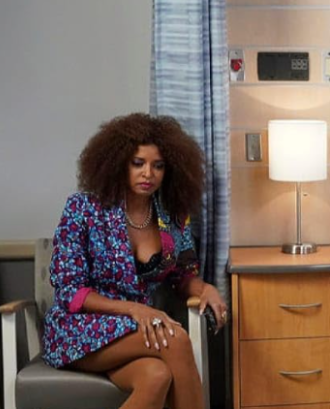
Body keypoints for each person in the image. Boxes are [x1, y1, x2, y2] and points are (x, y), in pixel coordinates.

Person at [42, 113, 229, 409]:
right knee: (175, 340)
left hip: (134, 329)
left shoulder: (171, 216)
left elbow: (181, 276)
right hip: (79, 331)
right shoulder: (84, 208)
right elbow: (69, 291)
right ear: (118, 164)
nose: (148, 174)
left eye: (158, 165)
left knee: (156, 376)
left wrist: (204, 288)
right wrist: (134, 309)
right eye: (138, 163)